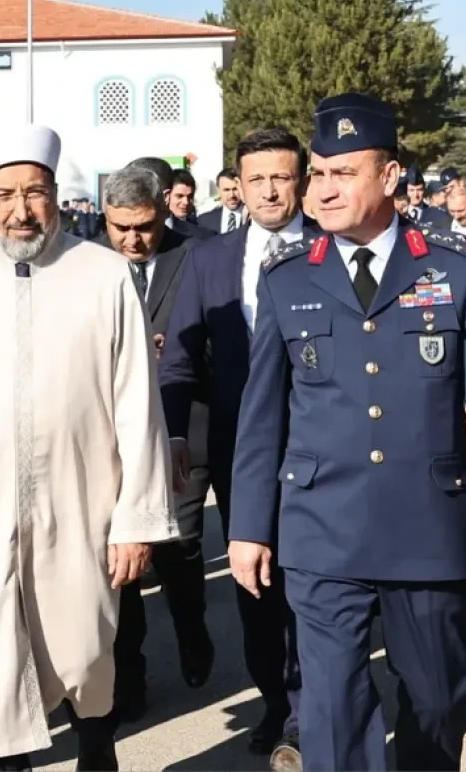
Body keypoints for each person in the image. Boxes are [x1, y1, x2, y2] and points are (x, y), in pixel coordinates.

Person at [229, 92, 466, 772]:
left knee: (439, 698)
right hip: (322, 526)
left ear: (389, 177)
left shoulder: (456, 268)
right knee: (330, 706)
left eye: (341, 173)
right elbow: (263, 414)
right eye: (316, 173)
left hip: (428, 527)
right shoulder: (289, 279)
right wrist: (248, 524)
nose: (321, 190)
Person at [0, 123, 179, 770]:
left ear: (56, 194)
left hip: (80, 503)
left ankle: (95, 745)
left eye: (34, 192)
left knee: (85, 654)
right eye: (3, 194)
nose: (20, 209)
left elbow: (138, 403)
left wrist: (135, 519)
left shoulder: (106, 275)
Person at [160, 126, 311, 767]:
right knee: (256, 586)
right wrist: (172, 432)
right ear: (240, 186)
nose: (270, 190)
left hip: (319, 449)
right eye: (257, 179)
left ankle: (308, 714)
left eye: (281, 176)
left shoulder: (332, 249)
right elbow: (181, 360)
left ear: (300, 179)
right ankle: (275, 700)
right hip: (237, 449)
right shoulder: (209, 259)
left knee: (313, 583)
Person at [93, 166, 213, 723]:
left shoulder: (198, 255)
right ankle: (129, 680)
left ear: (164, 213)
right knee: (121, 560)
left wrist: (179, 353)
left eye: (143, 228)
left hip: (182, 426)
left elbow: (223, 337)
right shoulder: (86, 261)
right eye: (120, 228)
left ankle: (192, 629)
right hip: (110, 437)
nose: (131, 241)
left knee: (179, 545)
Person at [127, 157, 215, 241]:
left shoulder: (202, 238)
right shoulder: (118, 240)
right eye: (179, 196)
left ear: (166, 195)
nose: (186, 202)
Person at [197, 167, 245, 233]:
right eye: (226, 190)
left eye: (235, 189)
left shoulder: (254, 219)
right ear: (219, 191)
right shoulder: (204, 221)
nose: (232, 195)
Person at [403, 164, 452, 229]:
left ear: (424, 190)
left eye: (419, 190)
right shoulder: (399, 214)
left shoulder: (438, 215)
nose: (416, 195)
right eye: (411, 190)